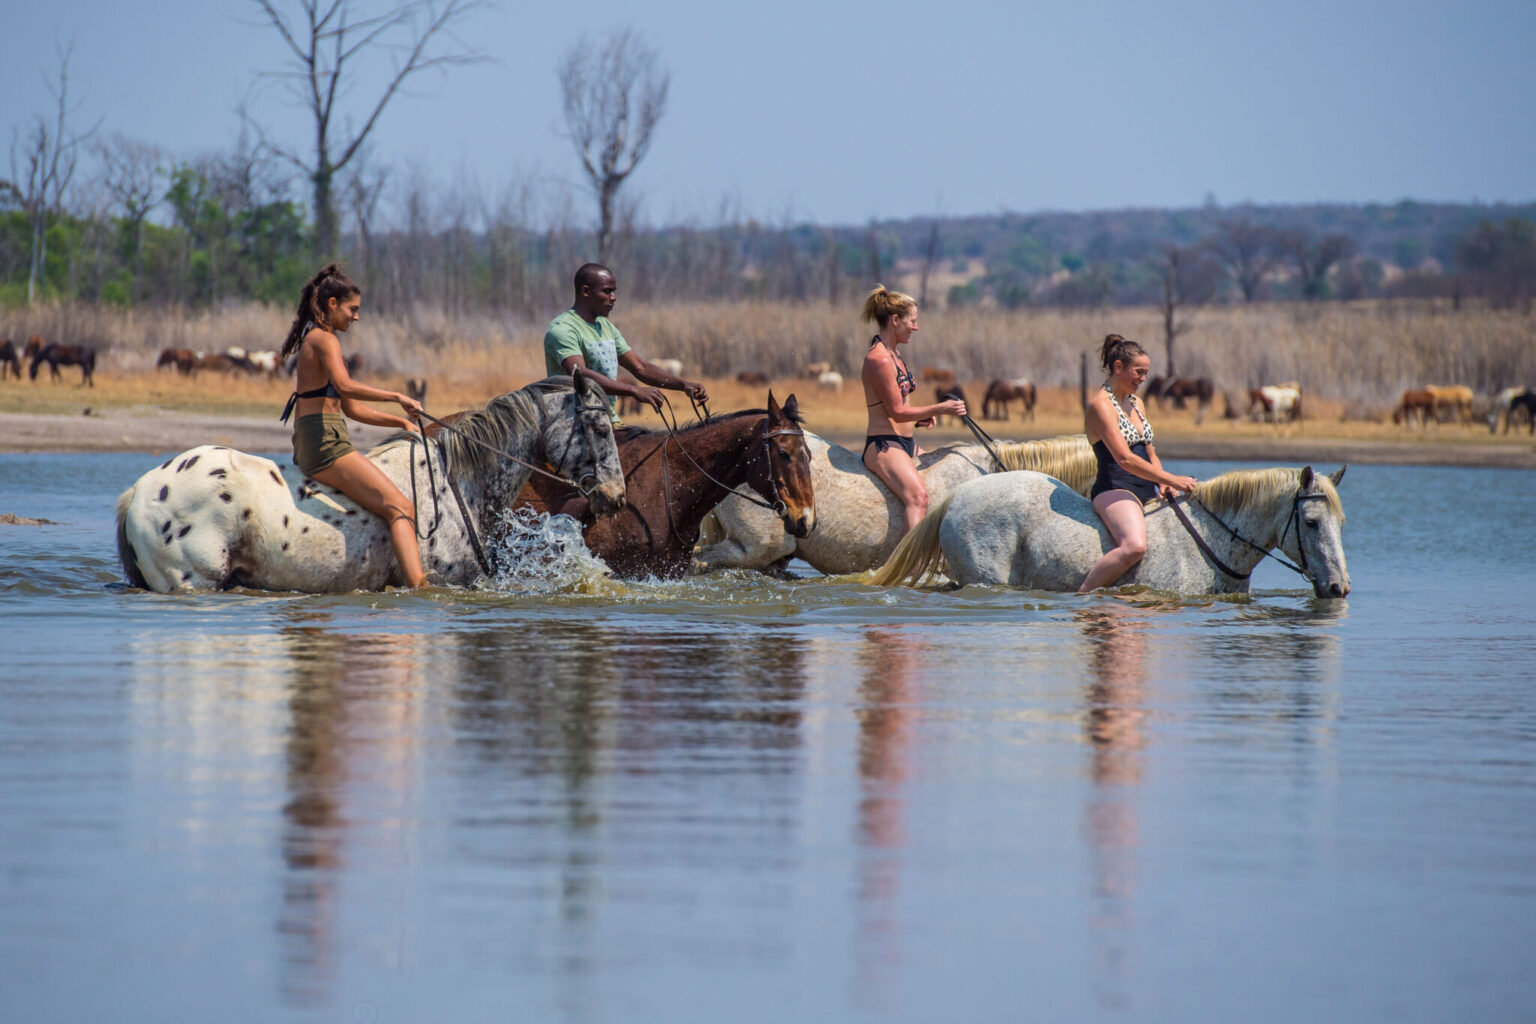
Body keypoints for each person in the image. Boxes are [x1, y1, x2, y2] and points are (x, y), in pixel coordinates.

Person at [278, 264, 428, 588]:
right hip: (325, 444)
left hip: (313, 439)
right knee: (400, 506)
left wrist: (400, 421)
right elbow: (346, 387)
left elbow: (350, 407)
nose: (356, 317)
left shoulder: (315, 338)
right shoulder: (324, 339)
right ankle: (421, 588)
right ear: (332, 304)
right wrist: (397, 396)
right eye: (352, 309)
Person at [1078, 334, 1198, 593]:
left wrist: (1161, 481)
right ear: (1118, 367)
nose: (1144, 379)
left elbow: (1149, 451)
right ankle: (1082, 598)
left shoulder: (1137, 403)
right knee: (1135, 547)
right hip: (1116, 489)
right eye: (1138, 372)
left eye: (1146, 373)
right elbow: (1125, 458)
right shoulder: (1100, 405)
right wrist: (1173, 480)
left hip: (1148, 488)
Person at [859, 285, 966, 532]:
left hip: (906, 442)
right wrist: (940, 409)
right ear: (895, 320)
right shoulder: (880, 359)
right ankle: (911, 569)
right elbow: (896, 411)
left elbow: (897, 405)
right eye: (913, 321)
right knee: (918, 497)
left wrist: (920, 418)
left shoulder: (894, 353)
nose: (916, 327)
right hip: (884, 445)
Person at [545, 263, 708, 424]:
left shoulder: (605, 326)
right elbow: (581, 374)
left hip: (606, 420)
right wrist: (633, 391)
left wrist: (684, 385)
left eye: (614, 291)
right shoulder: (563, 329)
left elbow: (641, 367)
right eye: (607, 291)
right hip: (571, 423)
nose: (614, 298)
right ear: (586, 291)